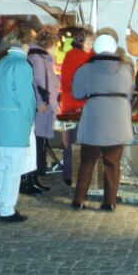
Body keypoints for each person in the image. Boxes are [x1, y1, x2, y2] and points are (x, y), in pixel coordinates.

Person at [71, 33, 133, 211]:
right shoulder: (126, 68)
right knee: (112, 163)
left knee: (88, 160)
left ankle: (80, 199)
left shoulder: (85, 69)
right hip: (118, 117)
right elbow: (129, 93)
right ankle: (110, 202)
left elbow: (77, 93)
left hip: (95, 118)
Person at [0, 24, 36, 222]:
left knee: (1, 168)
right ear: (25, 43)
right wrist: (30, 118)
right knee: (13, 169)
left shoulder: (1, 63)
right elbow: (26, 98)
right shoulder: (22, 65)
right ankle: (7, 209)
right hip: (15, 125)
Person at [20, 26, 60, 195]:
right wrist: (39, 102)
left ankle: (33, 178)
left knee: (39, 145)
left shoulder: (42, 58)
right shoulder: (37, 59)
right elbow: (34, 83)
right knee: (36, 145)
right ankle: (28, 180)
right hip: (41, 108)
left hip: (44, 106)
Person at [59, 28, 94, 185]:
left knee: (86, 142)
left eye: (92, 42)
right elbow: (66, 82)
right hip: (73, 105)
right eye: (88, 42)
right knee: (72, 141)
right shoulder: (71, 56)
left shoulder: (93, 55)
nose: (90, 45)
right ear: (80, 42)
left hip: (88, 104)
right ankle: (69, 174)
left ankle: (83, 174)